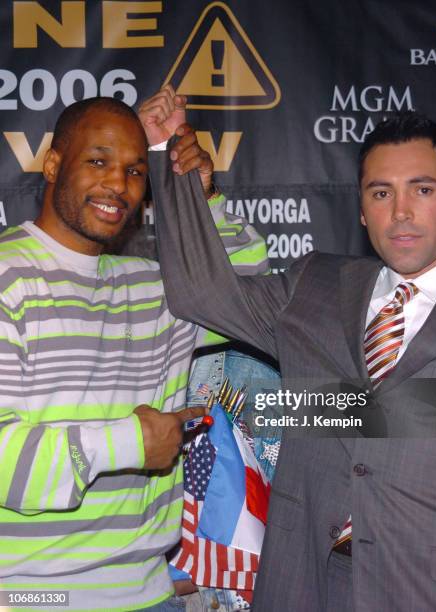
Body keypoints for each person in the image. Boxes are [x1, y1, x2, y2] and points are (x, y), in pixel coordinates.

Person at [151, 111, 436, 611]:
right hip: (303, 583)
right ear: (360, 207)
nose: (400, 211)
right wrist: (171, 163)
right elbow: (199, 294)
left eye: (422, 189)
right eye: (381, 193)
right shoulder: (315, 284)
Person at [0, 85, 268, 611]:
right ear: (53, 164)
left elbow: (249, 289)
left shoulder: (154, 288)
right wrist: (125, 443)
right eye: (98, 161)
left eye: (134, 170)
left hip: (151, 595)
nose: (117, 184)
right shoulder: (9, 277)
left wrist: (203, 196)